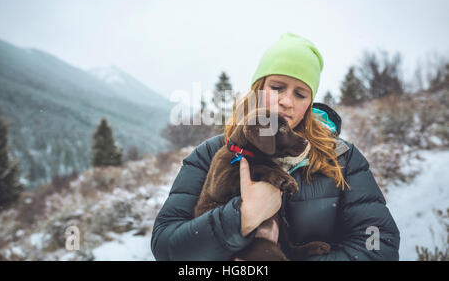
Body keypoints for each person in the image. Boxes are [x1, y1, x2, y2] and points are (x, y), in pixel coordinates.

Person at [151, 33, 400, 261]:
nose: (286, 102)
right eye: (277, 87)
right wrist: (241, 218)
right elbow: (165, 246)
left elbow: (380, 246)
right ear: (258, 90)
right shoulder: (210, 154)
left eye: (300, 94)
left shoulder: (343, 158)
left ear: (309, 103)